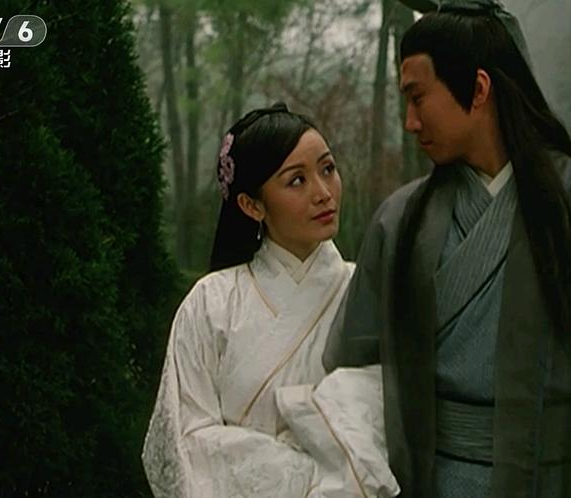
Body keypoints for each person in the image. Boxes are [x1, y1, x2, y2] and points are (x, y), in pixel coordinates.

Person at [322, 2, 571, 497]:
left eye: (417, 97)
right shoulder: (399, 221)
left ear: (478, 89)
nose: (410, 121)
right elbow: (355, 382)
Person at [143, 103, 399, 498]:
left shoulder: (366, 291)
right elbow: (185, 441)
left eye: (327, 169)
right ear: (252, 205)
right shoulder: (210, 303)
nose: (323, 193)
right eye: (297, 180)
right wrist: (311, 474)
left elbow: (393, 421)